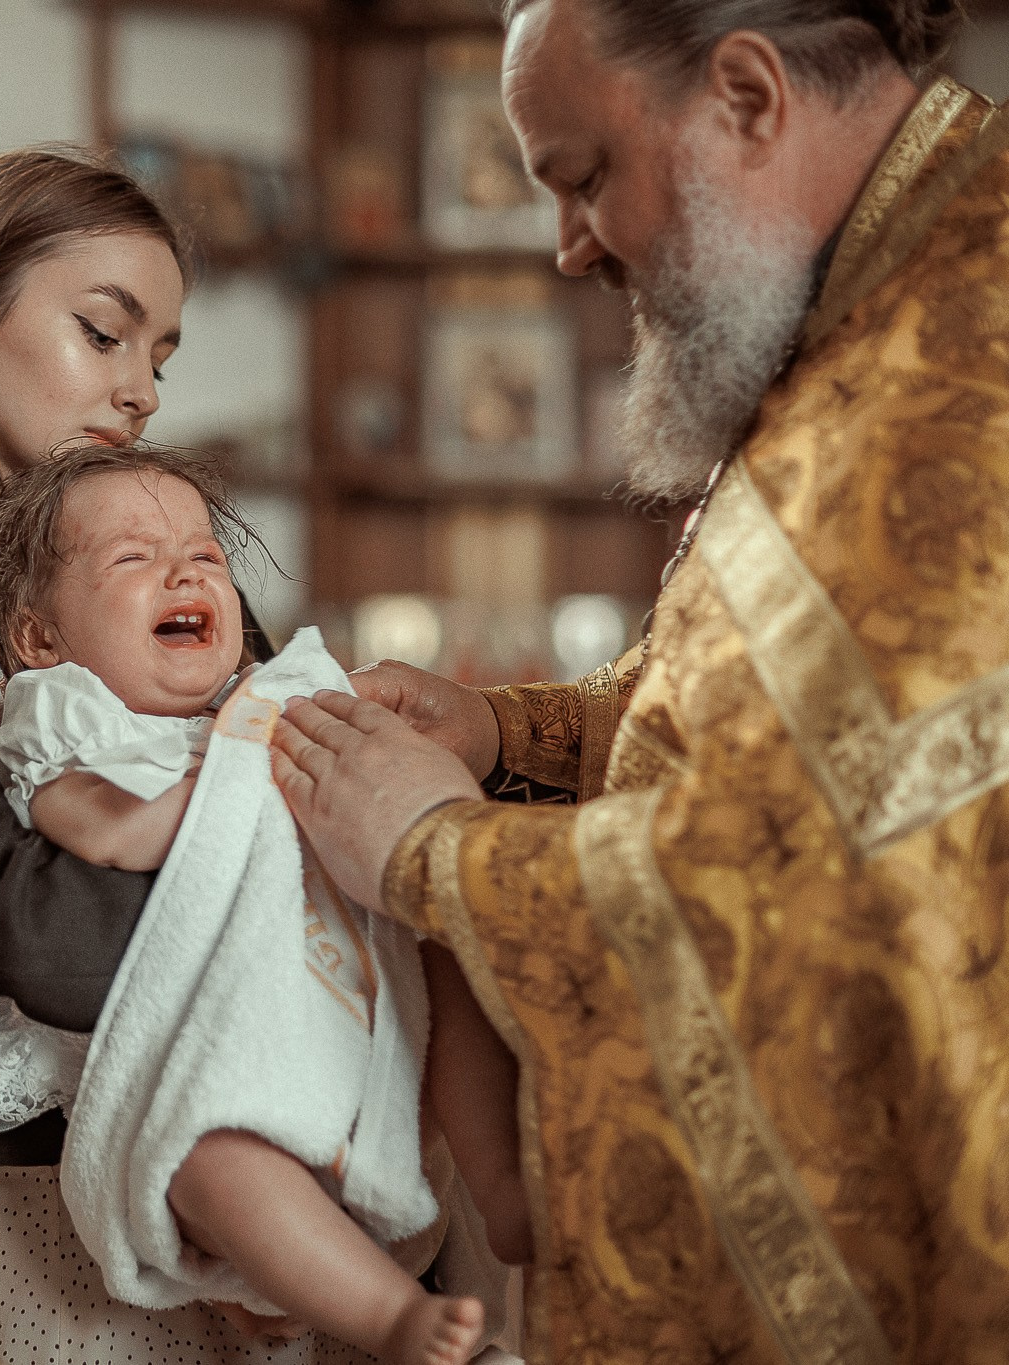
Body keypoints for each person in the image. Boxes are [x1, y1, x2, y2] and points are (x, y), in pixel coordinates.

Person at [269, 0, 1009, 1360]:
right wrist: (509, 728)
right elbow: (776, 720)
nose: (567, 248)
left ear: (745, 96)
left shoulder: (952, 385)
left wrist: (437, 855)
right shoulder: (884, 295)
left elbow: (827, 900)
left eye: (584, 176)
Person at [0, 146, 507, 1364]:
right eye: (104, 335)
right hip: (68, 1192)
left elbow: (289, 794)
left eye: (160, 354)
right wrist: (262, 961)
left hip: (324, 1117)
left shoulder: (155, 554)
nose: (141, 389)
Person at [0, 443, 504, 1365]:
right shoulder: (69, 722)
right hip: (205, 1055)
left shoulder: (256, 704)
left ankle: (511, 1192)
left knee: (452, 949)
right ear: (39, 638)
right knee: (215, 1162)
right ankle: (392, 1317)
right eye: (133, 558)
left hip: (336, 1004)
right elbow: (107, 834)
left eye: (205, 556)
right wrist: (227, 770)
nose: (184, 569)